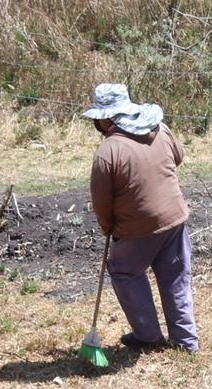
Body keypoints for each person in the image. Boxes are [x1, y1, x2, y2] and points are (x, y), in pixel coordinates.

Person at [85, 83, 199, 354]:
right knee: (175, 276)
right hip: (173, 218)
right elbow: (178, 156)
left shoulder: (108, 151)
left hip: (137, 228)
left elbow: (102, 201)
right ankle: (186, 341)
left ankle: (148, 335)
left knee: (125, 272)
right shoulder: (160, 128)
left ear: (106, 118)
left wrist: (108, 227)